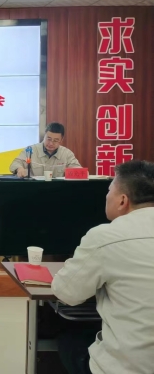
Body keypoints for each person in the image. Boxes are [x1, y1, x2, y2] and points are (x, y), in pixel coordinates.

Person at [52, 160, 154, 374]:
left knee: (69, 340)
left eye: (109, 190)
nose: (106, 196)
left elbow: (66, 293)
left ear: (122, 200)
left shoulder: (105, 237)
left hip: (127, 369)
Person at [9, 122, 80, 178]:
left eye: (55, 140)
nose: (51, 143)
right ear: (44, 136)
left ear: (61, 140)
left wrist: (77, 172)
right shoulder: (31, 150)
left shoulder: (66, 153)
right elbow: (15, 163)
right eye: (48, 139)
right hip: (34, 189)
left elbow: (77, 169)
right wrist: (19, 169)